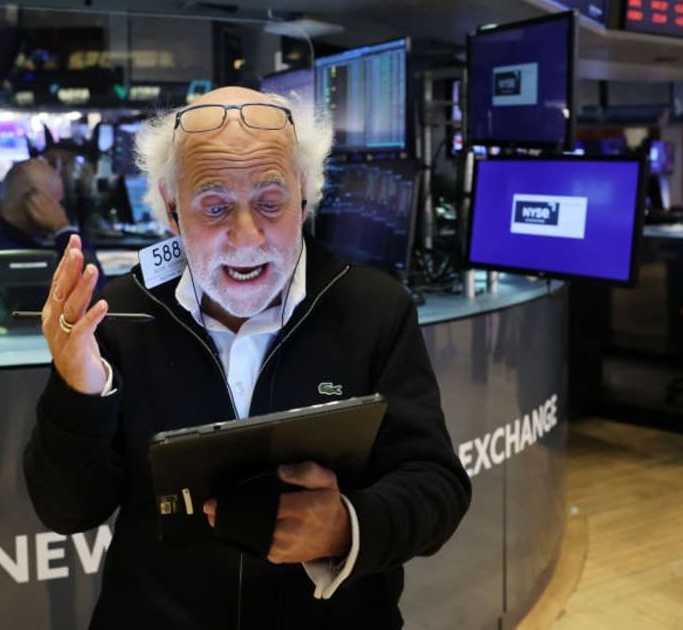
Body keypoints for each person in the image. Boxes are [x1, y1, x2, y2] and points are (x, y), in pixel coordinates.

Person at [23, 87, 471, 629]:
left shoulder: (374, 309)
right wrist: (79, 391)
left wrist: (348, 527)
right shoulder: (118, 317)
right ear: (171, 209)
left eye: (269, 201)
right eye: (214, 207)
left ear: (304, 194)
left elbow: (436, 484)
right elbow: (68, 510)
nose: (246, 236)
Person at [0, 159, 101, 305]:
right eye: (57, 203)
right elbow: (93, 292)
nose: (60, 210)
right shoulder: (10, 258)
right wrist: (63, 228)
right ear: (35, 202)